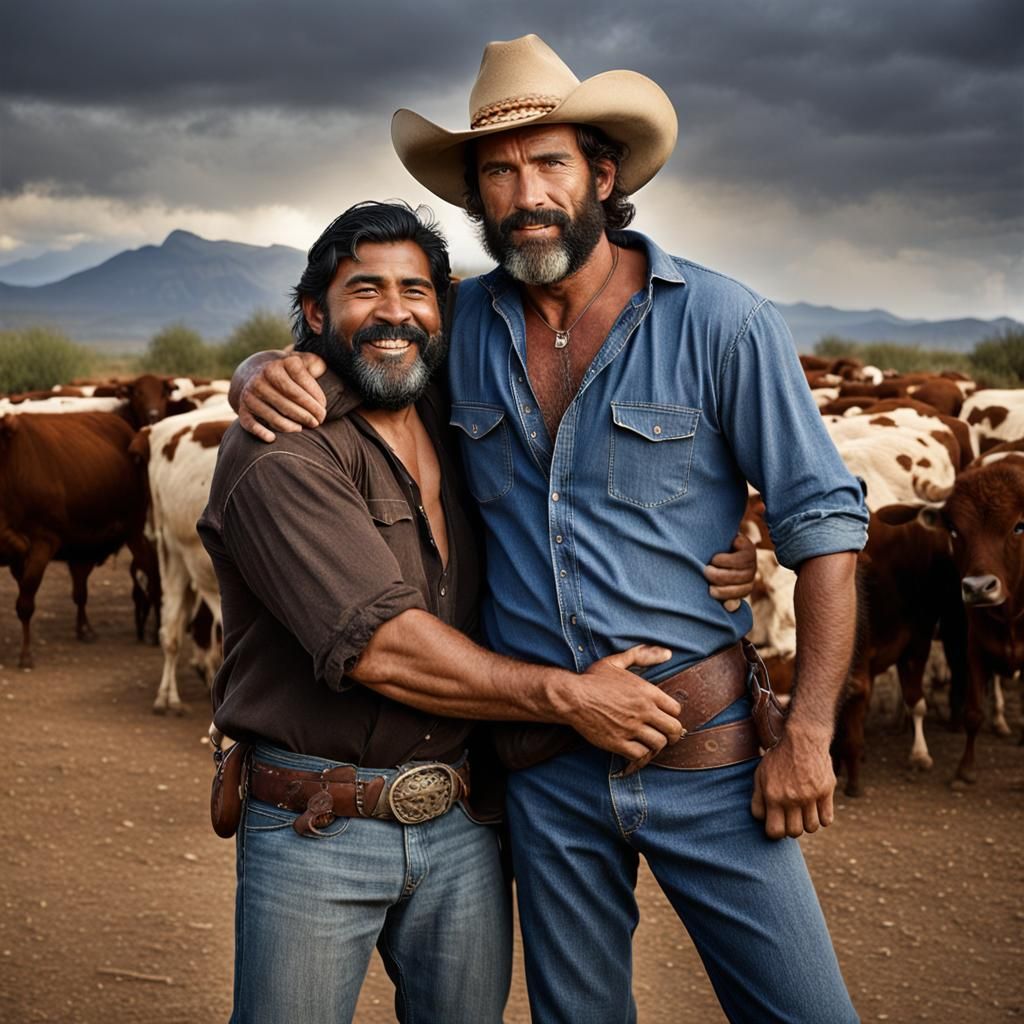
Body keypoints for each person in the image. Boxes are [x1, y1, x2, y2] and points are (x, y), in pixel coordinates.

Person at [231, 35, 870, 1023]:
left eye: (550, 164)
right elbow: (362, 353)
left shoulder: (723, 322)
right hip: (544, 769)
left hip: (706, 750)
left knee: (805, 1012)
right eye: (498, 172)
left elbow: (824, 530)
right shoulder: (462, 327)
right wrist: (261, 372)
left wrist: (811, 735)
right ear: (476, 197)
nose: (525, 193)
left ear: (602, 175)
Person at [203, 199, 756, 1024]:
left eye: (416, 290)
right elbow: (383, 648)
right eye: (364, 290)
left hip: (464, 820)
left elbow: (572, 504)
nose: (394, 312)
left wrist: (721, 541)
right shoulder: (281, 449)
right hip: (319, 825)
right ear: (315, 313)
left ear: (444, 308)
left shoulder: (453, 413)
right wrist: (570, 697)